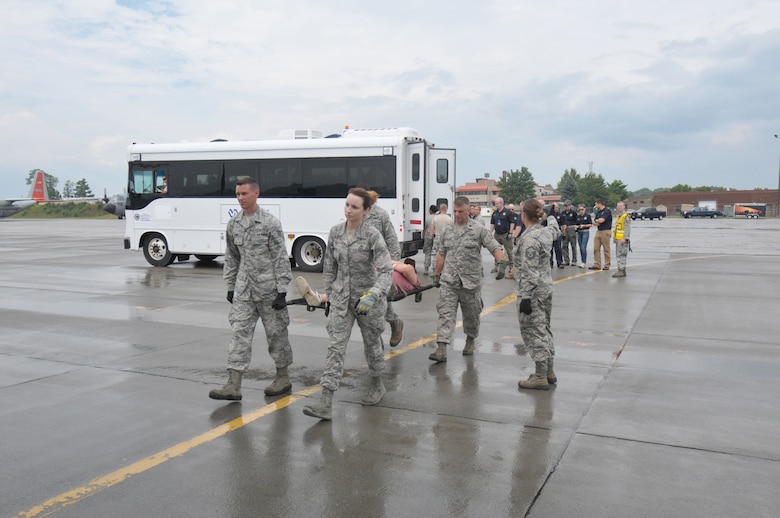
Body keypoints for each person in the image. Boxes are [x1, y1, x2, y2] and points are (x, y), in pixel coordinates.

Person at [302, 188, 394, 421]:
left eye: (354, 207)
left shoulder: (373, 235)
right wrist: (330, 296)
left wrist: (374, 294)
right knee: (335, 348)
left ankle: (377, 383)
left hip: (368, 302)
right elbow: (330, 268)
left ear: (366, 210)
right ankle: (325, 402)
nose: (349, 210)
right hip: (342, 300)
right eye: (347, 205)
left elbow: (386, 270)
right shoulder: (335, 233)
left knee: (372, 345)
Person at [209, 177, 293, 401]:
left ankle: (283, 377)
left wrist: (282, 290)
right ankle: (233, 385)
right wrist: (230, 285)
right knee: (239, 335)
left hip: (269, 291)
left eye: (244, 194)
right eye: (237, 194)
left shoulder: (270, 223)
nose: (240, 198)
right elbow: (232, 257)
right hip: (244, 291)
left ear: (256, 193)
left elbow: (280, 258)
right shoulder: (234, 224)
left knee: (277, 336)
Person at [429, 196, 507, 362]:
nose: (457, 215)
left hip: (471, 282)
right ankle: (441, 348)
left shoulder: (478, 229)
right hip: (449, 280)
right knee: (445, 313)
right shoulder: (447, 230)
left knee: (471, 315)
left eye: (461, 212)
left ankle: (470, 340)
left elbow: (494, 246)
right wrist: (436, 273)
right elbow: (441, 253)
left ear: (468, 210)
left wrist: (501, 262)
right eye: (455, 212)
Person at [514, 199, 561, 390]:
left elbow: (530, 271)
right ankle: (549, 370)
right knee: (545, 329)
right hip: (545, 289)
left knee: (535, 332)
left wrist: (525, 297)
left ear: (523, 215)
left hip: (533, 293)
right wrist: (550, 215)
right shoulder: (546, 232)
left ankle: (540, 375)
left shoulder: (530, 239)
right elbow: (555, 229)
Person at [360, 186, 404, 347]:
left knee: (380, 302)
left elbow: (392, 239)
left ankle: (394, 323)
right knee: (366, 305)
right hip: (362, 267)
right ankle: (376, 341)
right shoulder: (355, 215)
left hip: (380, 266)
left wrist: (394, 265)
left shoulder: (380, 215)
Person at [295, 258, 420, 306]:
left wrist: (393, 264)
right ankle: (318, 298)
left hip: (388, 286)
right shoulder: (397, 270)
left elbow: (405, 268)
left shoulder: (414, 279)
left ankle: (319, 297)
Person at [490, 197, 515, 278]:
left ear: (501, 203)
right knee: (496, 250)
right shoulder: (494, 213)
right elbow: (492, 224)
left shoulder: (507, 212)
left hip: (505, 234)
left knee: (509, 251)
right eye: (495, 203)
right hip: (497, 234)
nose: (495, 205)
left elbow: (512, 223)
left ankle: (512, 267)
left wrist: (510, 232)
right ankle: (497, 266)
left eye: (497, 203)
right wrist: (490, 232)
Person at [590, 198, 613, 270]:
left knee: (606, 249)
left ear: (600, 203)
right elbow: (595, 223)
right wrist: (596, 221)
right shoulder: (598, 212)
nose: (595, 205)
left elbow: (602, 220)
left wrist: (597, 221)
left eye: (596, 204)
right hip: (599, 231)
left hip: (605, 231)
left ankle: (607, 264)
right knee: (596, 248)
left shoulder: (607, 211)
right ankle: (597, 264)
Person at [612, 201, 631, 278]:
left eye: (620, 206)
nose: (619, 207)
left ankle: (621, 270)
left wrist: (625, 238)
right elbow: (617, 228)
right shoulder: (619, 216)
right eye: (618, 206)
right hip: (618, 238)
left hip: (622, 239)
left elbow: (627, 228)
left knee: (621, 254)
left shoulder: (625, 216)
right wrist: (615, 237)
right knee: (618, 254)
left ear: (624, 207)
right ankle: (621, 269)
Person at [574, 204, 593, 268]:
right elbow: (576, 224)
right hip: (579, 233)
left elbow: (590, 224)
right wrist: (576, 227)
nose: (581, 211)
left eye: (582, 209)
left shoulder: (587, 216)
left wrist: (584, 225)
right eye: (579, 210)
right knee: (580, 247)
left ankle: (584, 262)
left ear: (584, 209)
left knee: (583, 247)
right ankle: (582, 261)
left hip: (585, 232)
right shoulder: (578, 217)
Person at [561, 201, 578, 266]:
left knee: (573, 245)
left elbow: (576, 221)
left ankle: (574, 260)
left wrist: (575, 227)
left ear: (570, 206)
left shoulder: (573, 213)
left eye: (568, 206)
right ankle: (566, 260)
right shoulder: (563, 213)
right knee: (564, 246)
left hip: (571, 228)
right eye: (566, 206)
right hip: (565, 229)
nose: (567, 207)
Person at [422, 204, 438, 276]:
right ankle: (434, 270)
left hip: (428, 235)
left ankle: (426, 269)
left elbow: (424, 228)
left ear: (430, 211)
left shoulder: (427, 218)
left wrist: (423, 237)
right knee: (435, 253)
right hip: (436, 235)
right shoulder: (437, 218)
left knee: (427, 252)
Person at [548, 202, 564, 269]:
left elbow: (563, 224)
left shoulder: (560, 215)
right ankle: (550, 263)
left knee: (558, 249)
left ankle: (559, 263)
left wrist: (563, 233)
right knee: (550, 249)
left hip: (558, 234)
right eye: (556, 207)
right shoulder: (549, 216)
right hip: (550, 235)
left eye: (558, 207)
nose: (557, 209)